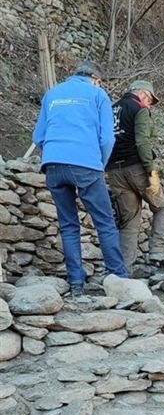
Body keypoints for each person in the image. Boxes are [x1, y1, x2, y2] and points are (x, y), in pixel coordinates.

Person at [33, 60, 128, 296]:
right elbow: (107, 139)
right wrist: (99, 163)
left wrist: (55, 153)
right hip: (86, 164)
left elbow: (38, 136)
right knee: (105, 222)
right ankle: (119, 278)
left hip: (53, 165)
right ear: (96, 79)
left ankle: (76, 284)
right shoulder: (98, 95)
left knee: (68, 225)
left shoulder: (52, 94)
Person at [106, 80, 164, 275]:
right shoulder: (139, 108)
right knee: (161, 207)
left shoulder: (110, 108)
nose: (149, 104)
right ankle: (158, 252)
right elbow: (142, 141)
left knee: (129, 221)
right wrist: (151, 171)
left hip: (114, 170)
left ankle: (124, 269)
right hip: (136, 167)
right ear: (142, 94)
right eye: (149, 99)